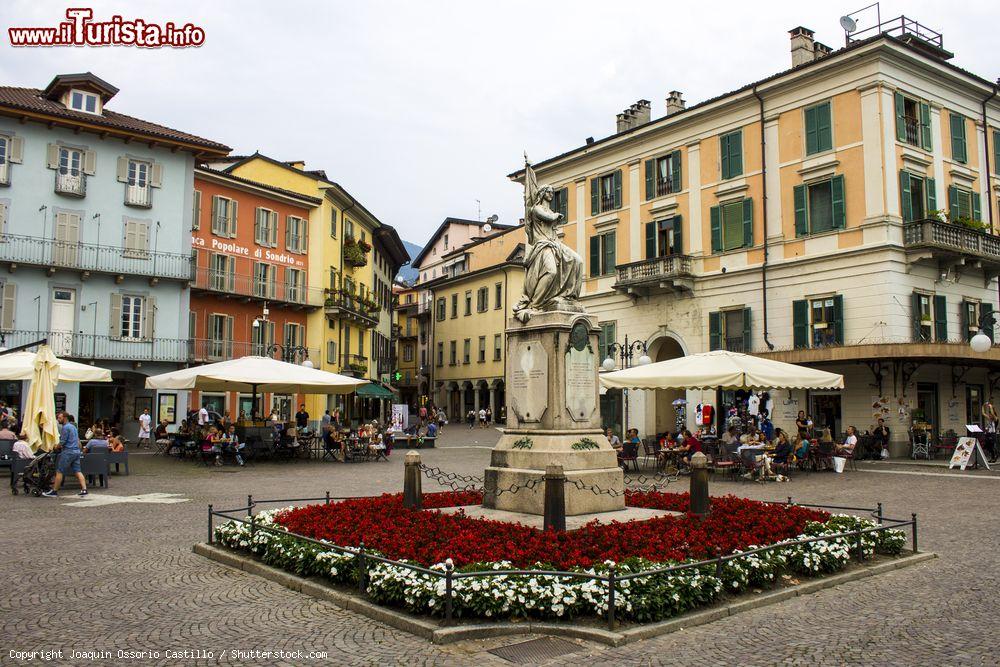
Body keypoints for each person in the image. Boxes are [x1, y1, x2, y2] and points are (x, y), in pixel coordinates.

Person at [42, 412, 87, 497]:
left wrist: (56, 447)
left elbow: (63, 441)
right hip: (76, 451)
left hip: (68, 452)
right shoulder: (73, 427)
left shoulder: (65, 428)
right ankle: (84, 489)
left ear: (65, 418)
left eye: (59, 418)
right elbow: (77, 440)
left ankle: (54, 491)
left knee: (60, 471)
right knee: (78, 471)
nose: (58, 420)